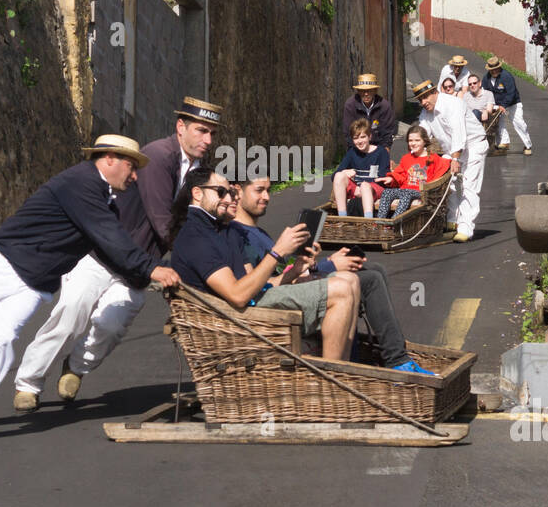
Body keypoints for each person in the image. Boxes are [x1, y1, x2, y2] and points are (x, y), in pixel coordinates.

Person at [0, 135, 181, 447]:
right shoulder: (81, 183)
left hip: (31, 285)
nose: (135, 176)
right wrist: (152, 267)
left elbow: (109, 249)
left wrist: (143, 273)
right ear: (109, 159)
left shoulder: (103, 200)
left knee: (0, 341)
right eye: (131, 167)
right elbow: (112, 238)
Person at [11, 98, 222, 411]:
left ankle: (76, 367)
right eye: (201, 131)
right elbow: (161, 218)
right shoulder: (157, 156)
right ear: (181, 128)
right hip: (102, 254)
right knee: (71, 312)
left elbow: (191, 218)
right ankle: (29, 383)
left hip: (139, 266)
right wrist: (197, 262)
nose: (207, 140)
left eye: (212, 134)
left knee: (111, 325)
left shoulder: (198, 171)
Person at [229, 176, 433, 375]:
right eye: (259, 190)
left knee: (374, 269)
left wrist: (318, 264)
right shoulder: (238, 235)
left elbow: (285, 271)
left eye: (268, 190)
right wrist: (327, 266)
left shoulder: (258, 232)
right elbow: (262, 284)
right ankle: (397, 361)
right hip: (278, 297)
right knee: (370, 280)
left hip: (291, 284)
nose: (266, 197)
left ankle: (389, 357)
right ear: (238, 190)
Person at [169, 168, 360, 361]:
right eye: (221, 192)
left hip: (250, 306)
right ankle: (333, 381)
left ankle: (343, 370)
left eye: (230, 192)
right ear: (197, 193)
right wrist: (276, 252)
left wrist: (294, 271)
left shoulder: (223, 231)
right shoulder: (195, 237)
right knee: (341, 289)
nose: (228, 199)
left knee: (350, 280)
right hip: (235, 321)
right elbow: (238, 296)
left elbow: (256, 285)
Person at [412, 78, 487, 243]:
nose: (423, 102)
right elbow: (422, 135)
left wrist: (455, 159)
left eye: (425, 97)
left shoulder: (453, 104)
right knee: (448, 182)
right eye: (420, 100)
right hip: (451, 150)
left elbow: (459, 132)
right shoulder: (426, 112)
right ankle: (452, 220)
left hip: (473, 146)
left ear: (435, 92)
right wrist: (412, 155)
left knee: (468, 187)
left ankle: (465, 228)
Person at [375, 125, 451, 218]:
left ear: (424, 141)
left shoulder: (433, 158)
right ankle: (380, 222)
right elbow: (400, 176)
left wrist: (453, 161)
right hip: (405, 189)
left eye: (417, 140)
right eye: (410, 140)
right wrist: (391, 179)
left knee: (407, 193)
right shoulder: (406, 158)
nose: (413, 143)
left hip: (421, 192)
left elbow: (445, 165)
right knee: (387, 192)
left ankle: (394, 221)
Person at [331, 119, 391, 219]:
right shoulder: (352, 152)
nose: (360, 141)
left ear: (370, 136)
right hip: (358, 188)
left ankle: (368, 220)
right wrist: (345, 172)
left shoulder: (381, 152)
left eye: (363, 137)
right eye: (356, 138)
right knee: (339, 176)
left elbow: (383, 177)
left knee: (364, 186)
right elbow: (334, 176)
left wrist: (364, 188)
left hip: (375, 188)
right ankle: (342, 218)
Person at [482, 55, 533, 156]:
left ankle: (528, 146)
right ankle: (503, 143)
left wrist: (503, 105)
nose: (493, 71)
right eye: (491, 70)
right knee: (496, 123)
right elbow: (485, 92)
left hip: (512, 103)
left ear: (499, 68)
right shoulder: (486, 78)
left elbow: (511, 93)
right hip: (496, 104)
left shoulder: (506, 76)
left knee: (519, 124)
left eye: (495, 69)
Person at [341, 73, 397, 151]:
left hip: (378, 147)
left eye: (369, 90)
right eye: (362, 91)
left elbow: (388, 133)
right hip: (356, 147)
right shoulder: (350, 105)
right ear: (358, 91)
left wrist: (384, 152)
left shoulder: (384, 106)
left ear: (375, 91)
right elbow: (348, 132)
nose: (366, 94)